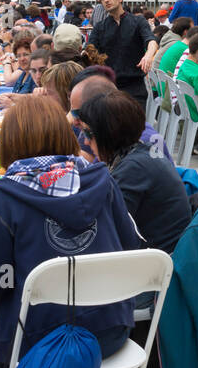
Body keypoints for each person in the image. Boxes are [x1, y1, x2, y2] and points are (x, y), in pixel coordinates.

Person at [0, 94, 141, 368]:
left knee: (6, 313)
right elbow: (130, 248)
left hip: (38, 339)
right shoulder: (102, 180)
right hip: (109, 330)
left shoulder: (3, 196)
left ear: (9, 141)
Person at [78, 91, 190, 253]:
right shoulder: (142, 153)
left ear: (109, 133)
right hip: (163, 252)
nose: (86, 141)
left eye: (88, 133)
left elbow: (107, 228)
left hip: (159, 264)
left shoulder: (134, 169)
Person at [88, 0, 158, 106]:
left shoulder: (138, 21)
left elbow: (151, 41)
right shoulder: (99, 27)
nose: (106, 0)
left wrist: (148, 56)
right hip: (108, 89)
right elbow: (89, 51)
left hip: (135, 87)